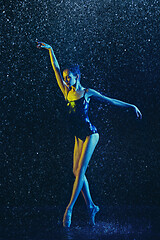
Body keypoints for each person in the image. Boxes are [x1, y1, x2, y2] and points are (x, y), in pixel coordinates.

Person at [37, 42, 142, 228]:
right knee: (76, 172)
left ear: (77, 77)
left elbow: (110, 101)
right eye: (65, 78)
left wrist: (131, 106)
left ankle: (69, 208)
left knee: (81, 171)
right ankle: (92, 206)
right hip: (78, 136)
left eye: (69, 78)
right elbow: (56, 68)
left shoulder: (86, 93)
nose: (67, 81)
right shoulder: (66, 93)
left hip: (90, 134)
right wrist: (51, 50)